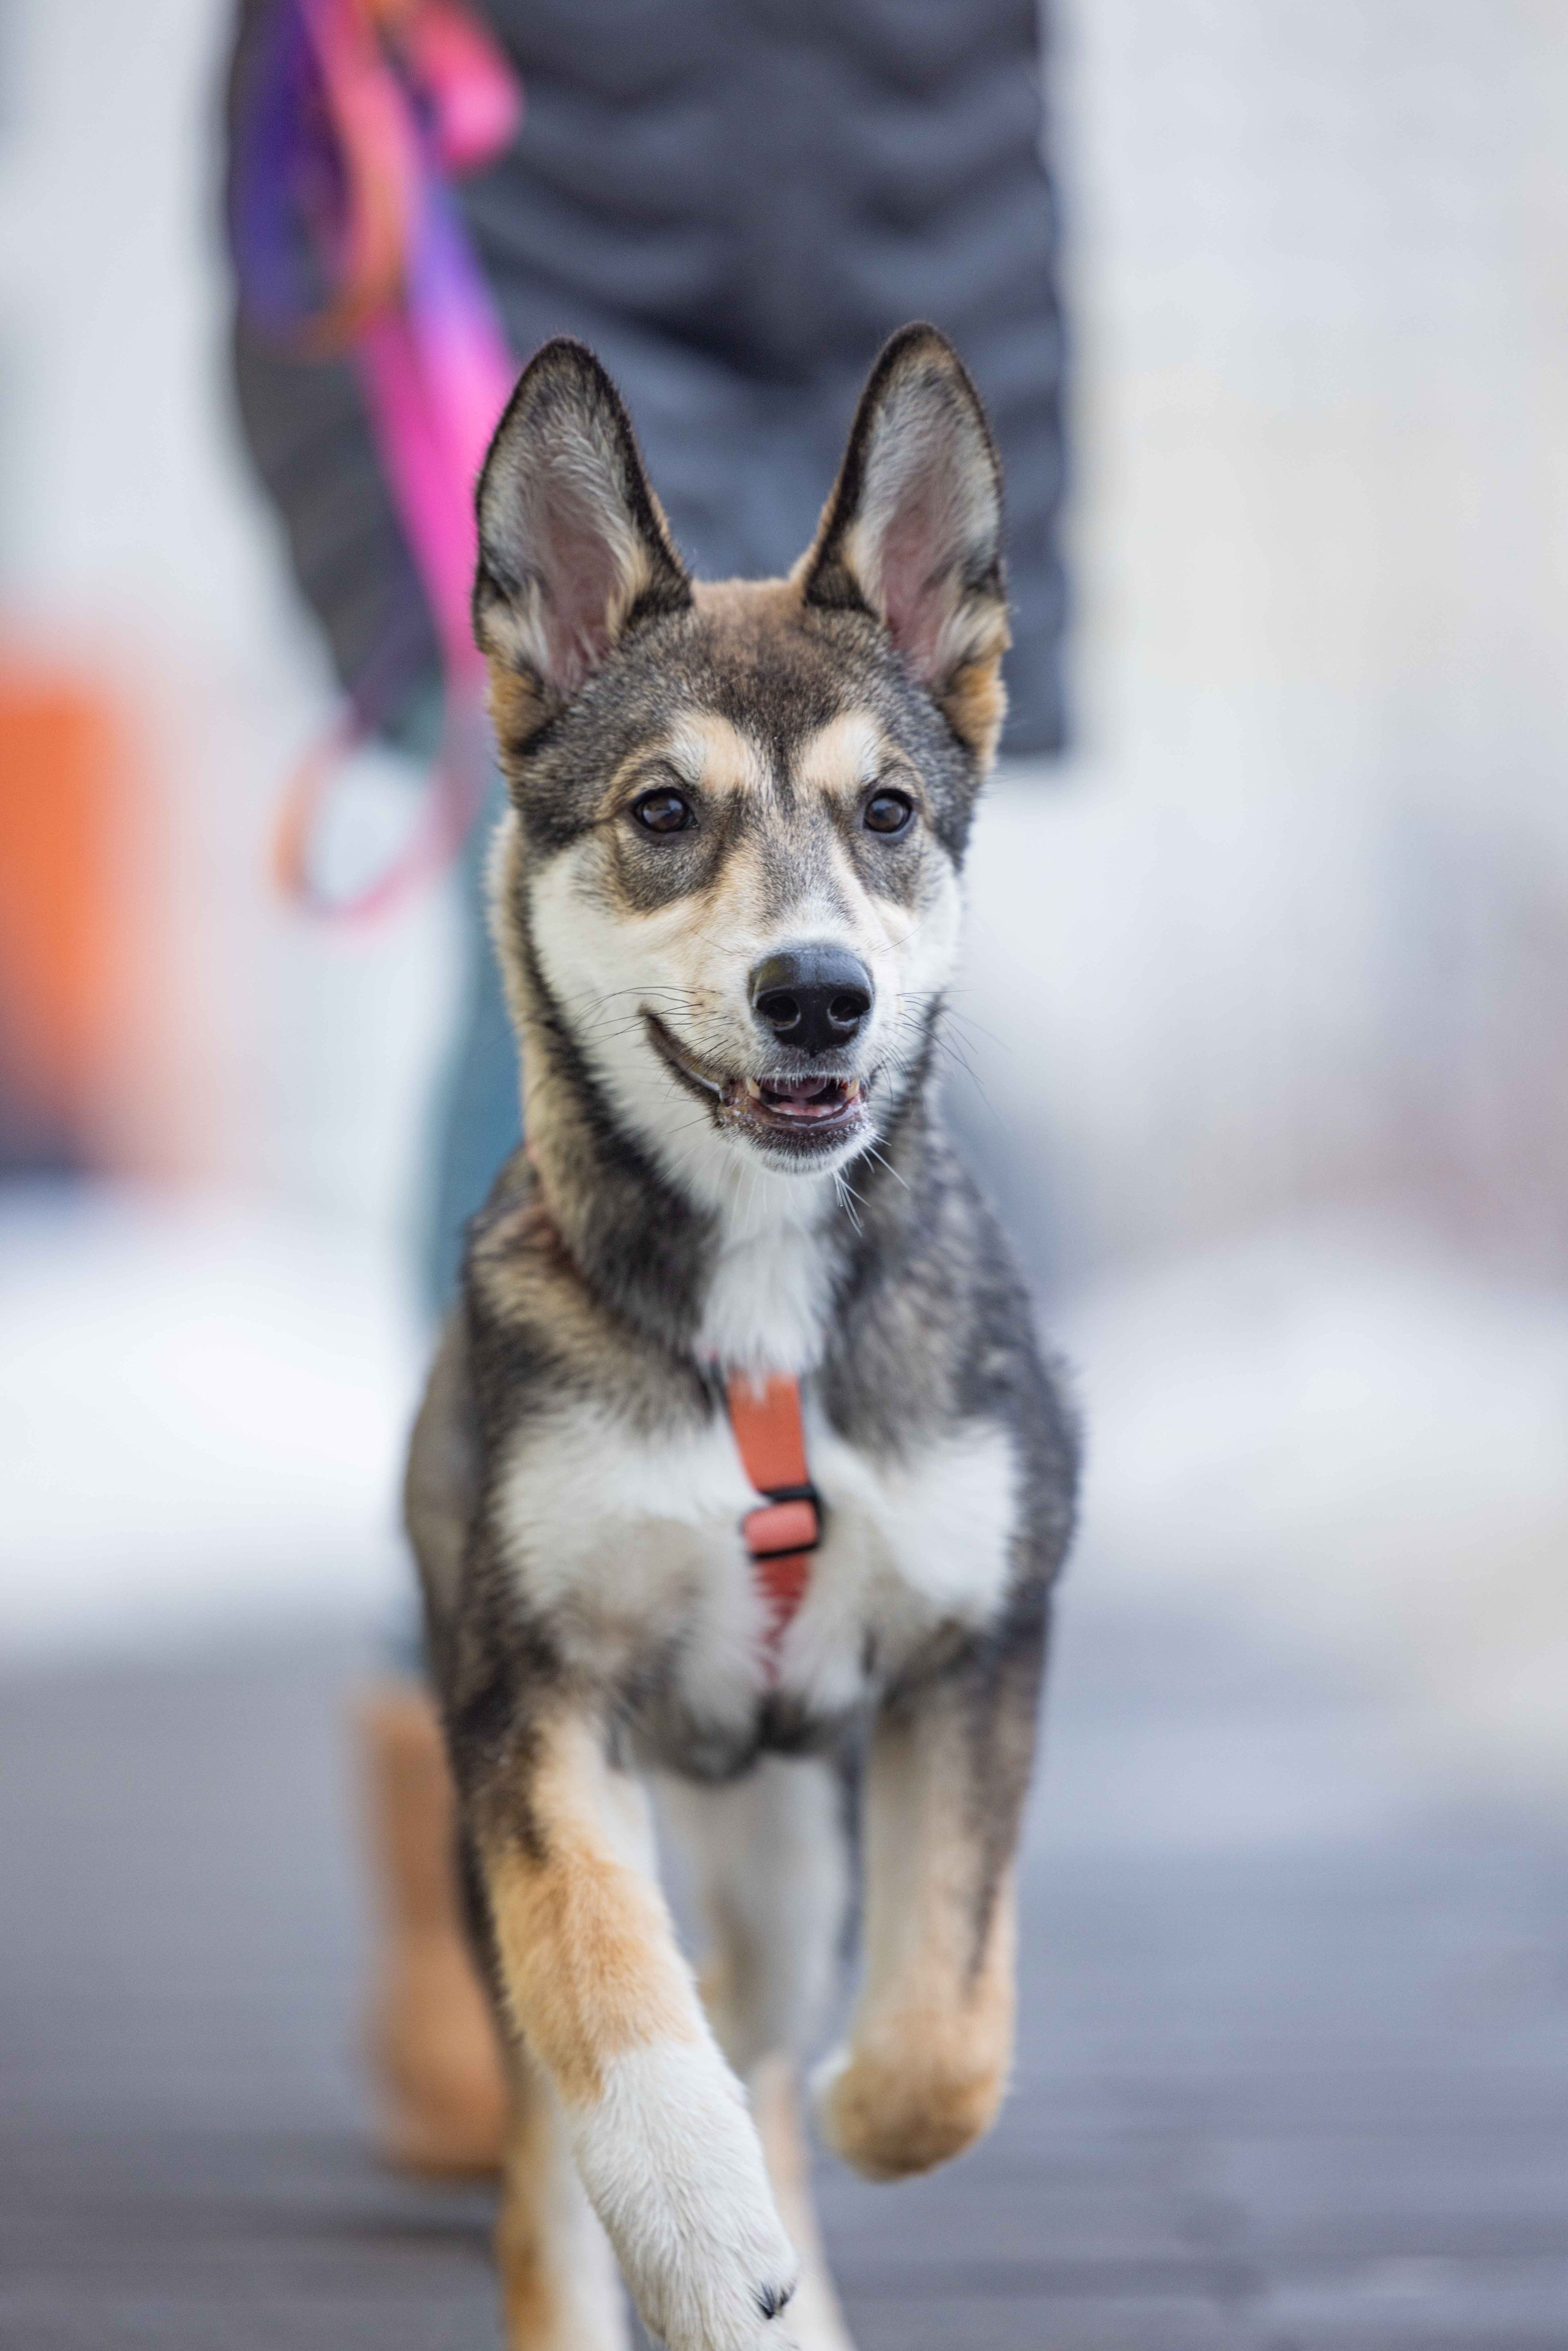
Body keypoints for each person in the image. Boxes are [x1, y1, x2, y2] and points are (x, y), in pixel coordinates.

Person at [225, 0, 1068, 2174]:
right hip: (503, 205)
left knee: (851, 934)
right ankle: (515, 1763)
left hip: (909, 185)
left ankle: (809, 1612)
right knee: (553, 952)